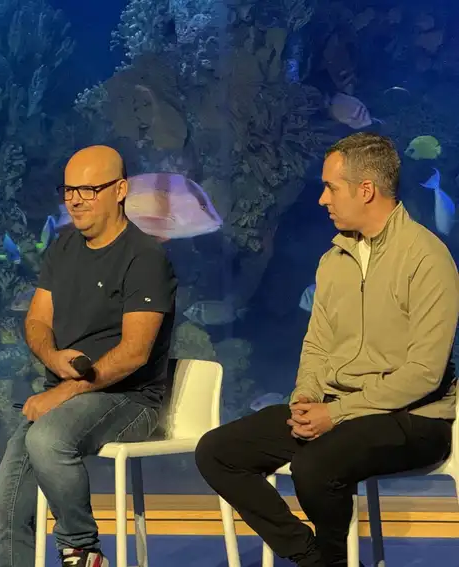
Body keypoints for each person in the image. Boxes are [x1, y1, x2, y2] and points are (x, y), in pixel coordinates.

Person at [195, 132, 458, 567]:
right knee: (217, 452)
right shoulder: (333, 261)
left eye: (331, 187)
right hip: (337, 410)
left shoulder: (427, 259)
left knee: (315, 466)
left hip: (413, 419)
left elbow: (424, 374)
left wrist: (334, 414)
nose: (322, 200)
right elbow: (316, 344)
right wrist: (305, 398)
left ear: (366, 190)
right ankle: (313, 557)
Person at [0, 145, 178, 567]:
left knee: (47, 437)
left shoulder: (145, 257)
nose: (75, 199)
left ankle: (81, 551)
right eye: (70, 189)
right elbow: (36, 321)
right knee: (4, 509)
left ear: (121, 190)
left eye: (90, 189)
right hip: (67, 395)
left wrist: (63, 392)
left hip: (129, 399)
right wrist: (53, 358)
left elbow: (133, 354)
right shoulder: (64, 245)